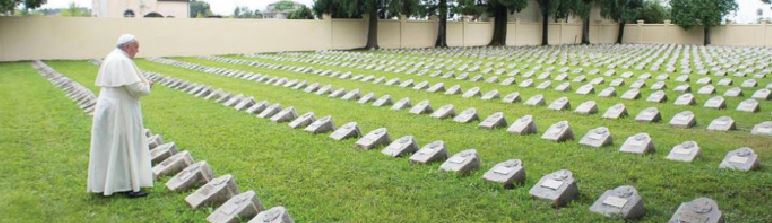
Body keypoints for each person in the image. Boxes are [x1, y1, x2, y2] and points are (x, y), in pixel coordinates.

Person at [87, 34, 154, 198]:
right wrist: (148, 86)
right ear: (128, 46)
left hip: (109, 105)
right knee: (126, 144)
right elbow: (135, 88)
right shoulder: (122, 61)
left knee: (111, 144)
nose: (137, 51)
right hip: (120, 109)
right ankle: (128, 185)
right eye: (136, 47)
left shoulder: (112, 56)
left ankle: (112, 183)